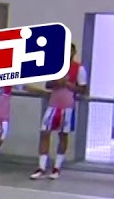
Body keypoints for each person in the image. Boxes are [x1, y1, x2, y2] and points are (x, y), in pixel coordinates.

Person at [29, 43, 89, 180]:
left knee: (63, 135)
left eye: (70, 51)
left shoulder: (79, 69)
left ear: (74, 52)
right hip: (53, 105)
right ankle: (42, 167)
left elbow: (83, 90)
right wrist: (57, 82)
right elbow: (48, 84)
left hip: (68, 106)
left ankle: (57, 167)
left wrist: (67, 84)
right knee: (45, 133)